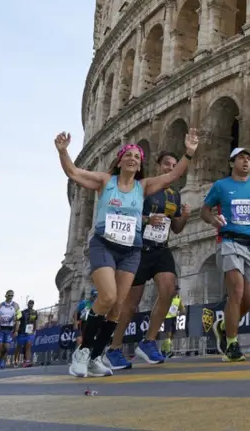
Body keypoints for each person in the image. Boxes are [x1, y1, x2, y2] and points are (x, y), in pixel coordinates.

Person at [55, 128, 199, 378]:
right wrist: (63, 151)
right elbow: (73, 172)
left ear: (140, 163)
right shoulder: (105, 181)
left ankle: (96, 356)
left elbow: (174, 174)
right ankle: (83, 351)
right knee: (108, 297)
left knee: (117, 307)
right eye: (128, 154)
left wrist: (189, 152)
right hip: (105, 244)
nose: (133, 158)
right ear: (119, 160)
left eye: (137, 156)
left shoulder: (143, 187)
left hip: (131, 249)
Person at [104, 151, 192, 369]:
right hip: (139, 249)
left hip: (161, 248)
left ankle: (149, 341)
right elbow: (126, 215)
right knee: (131, 304)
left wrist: (185, 216)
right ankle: (113, 348)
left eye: (173, 165)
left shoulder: (175, 194)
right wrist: (147, 220)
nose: (170, 168)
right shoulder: (144, 187)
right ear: (158, 166)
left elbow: (177, 229)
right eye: (166, 164)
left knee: (169, 291)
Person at [200, 147, 250, 363]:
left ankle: (223, 326)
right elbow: (204, 210)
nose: (246, 162)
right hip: (228, 241)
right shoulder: (221, 186)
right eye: (241, 158)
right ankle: (232, 344)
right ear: (232, 163)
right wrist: (213, 220)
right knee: (236, 292)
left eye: (248, 159)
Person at [0, 290, 20, 370]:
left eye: (12, 295)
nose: (10, 297)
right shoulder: (0, 305)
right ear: (6, 296)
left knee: (7, 348)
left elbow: (19, 315)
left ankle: (1, 360)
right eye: (9, 295)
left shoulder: (16, 305)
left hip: (9, 329)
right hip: (0, 329)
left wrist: (16, 329)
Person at [15, 299, 40, 367]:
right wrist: (16, 330)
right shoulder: (23, 312)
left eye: (32, 303)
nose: (31, 305)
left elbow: (35, 321)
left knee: (28, 346)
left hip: (29, 332)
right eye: (30, 303)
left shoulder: (35, 312)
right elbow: (17, 320)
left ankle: (27, 361)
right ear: (28, 304)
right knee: (19, 347)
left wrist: (35, 329)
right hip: (22, 332)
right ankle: (16, 361)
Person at [162, 286, 184, 358]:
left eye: (177, 290)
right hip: (167, 317)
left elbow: (181, 307)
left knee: (172, 335)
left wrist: (182, 311)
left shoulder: (178, 298)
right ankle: (168, 351)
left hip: (174, 317)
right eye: (175, 290)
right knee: (168, 333)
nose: (177, 292)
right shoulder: (168, 298)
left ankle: (163, 349)